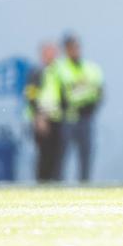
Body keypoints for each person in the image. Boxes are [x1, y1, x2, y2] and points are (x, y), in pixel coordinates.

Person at [56, 34, 103, 182]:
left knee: (86, 155)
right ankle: (58, 185)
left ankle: (85, 184)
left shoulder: (91, 68)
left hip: (86, 117)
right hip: (67, 117)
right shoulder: (59, 68)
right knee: (61, 155)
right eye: (71, 47)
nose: (75, 50)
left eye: (76, 47)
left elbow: (99, 91)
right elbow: (57, 93)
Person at [24, 42, 64, 182]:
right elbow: (31, 95)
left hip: (57, 117)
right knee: (44, 154)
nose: (51, 56)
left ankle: (55, 183)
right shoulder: (37, 72)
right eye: (48, 52)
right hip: (42, 118)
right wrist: (39, 116)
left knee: (57, 154)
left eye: (53, 52)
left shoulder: (58, 72)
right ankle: (42, 183)